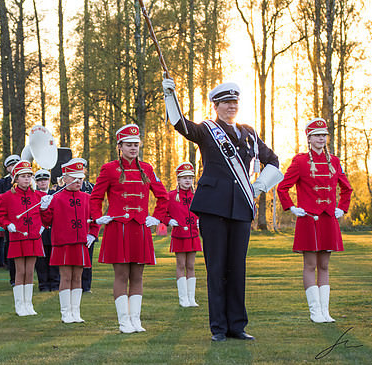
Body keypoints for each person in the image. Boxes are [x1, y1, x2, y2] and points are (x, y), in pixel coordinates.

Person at [162, 79, 282, 341]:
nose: (231, 106)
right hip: (213, 207)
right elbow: (180, 124)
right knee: (216, 268)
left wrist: (259, 186)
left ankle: (237, 326)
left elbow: (272, 160)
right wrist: (170, 95)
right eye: (226, 103)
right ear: (215, 106)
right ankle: (218, 328)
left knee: (237, 268)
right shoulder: (207, 130)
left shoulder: (248, 132)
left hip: (241, 207)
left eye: (235, 102)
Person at [90, 124, 168, 333]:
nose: (133, 148)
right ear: (120, 146)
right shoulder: (108, 169)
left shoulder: (148, 168)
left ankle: (136, 320)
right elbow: (95, 198)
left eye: (136, 144)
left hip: (140, 228)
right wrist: (98, 218)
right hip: (118, 228)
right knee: (121, 275)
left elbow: (163, 197)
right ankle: (123, 321)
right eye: (129, 144)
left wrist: (157, 218)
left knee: (138, 276)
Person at [277, 118, 352, 323]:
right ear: (309, 138)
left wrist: (342, 208)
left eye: (323, 135)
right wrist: (292, 208)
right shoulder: (300, 161)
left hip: (328, 219)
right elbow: (282, 187)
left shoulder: (334, 161)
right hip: (308, 219)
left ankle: (325, 312)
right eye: (317, 135)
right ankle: (314, 312)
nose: (321, 138)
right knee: (310, 265)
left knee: (325, 266)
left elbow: (347, 188)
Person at [40, 159, 99, 323]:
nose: (78, 181)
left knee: (78, 277)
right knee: (65, 277)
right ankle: (66, 312)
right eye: (74, 177)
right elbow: (46, 222)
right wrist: (44, 208)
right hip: (63, 244)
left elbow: (95, 218)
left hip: (80, 243)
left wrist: (92, 234)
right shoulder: (56, 198)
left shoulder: (88, 197)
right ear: (64, 179)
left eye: (80, 178)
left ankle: (76, 312)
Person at [0, 160, 45, 316]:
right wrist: (7, 224)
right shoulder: (7, 196)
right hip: (17, 238)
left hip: (34, 238)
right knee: (20, 271)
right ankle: (19, 305)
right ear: (15, 178)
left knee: (30, 271)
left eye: (29, 176)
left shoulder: (38, 195)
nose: (27, 179)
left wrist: (45, 218)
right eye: (23, 176)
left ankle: (29, 304)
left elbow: (46, 216)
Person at [164, 162, 202, 307]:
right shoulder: (171, 196)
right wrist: (169, 221)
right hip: (179, 235)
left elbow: (203, 212)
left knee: (191, 265)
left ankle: (191, 298)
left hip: (193, 235)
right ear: (178, 180)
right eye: (184, 178)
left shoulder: (197, 195)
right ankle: (183, 299)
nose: (187, 181)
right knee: (181, 264)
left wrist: (201, 221)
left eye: (190, 178)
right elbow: (162, 214)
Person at [0, 154, 21, 287]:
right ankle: (13, 278)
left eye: (16, 164)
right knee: (11, 250)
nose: (14, 167)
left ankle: (23, 278)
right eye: (11, 165)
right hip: (9, 223)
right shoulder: (2, 183)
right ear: (7, 168)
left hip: (24, 222)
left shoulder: (27, 181)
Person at [34, 169, 60, 292]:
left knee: (54, 259)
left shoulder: (55, 194)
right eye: (40, 180)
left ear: (49, 181)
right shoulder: (33, 195)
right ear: (36, 182)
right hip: (40, 231)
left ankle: (55, 284)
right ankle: (43, 284)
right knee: (41, 261)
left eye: (45, 180)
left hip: (54, 230)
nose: (43, 182)